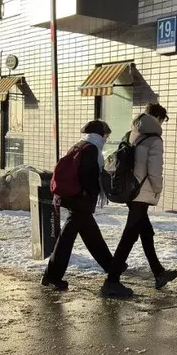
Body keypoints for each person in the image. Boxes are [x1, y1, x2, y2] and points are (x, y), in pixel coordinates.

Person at [102, 103, 177, 299]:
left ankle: (158, 272)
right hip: (141, 193)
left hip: (129, 189)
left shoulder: (131, 133)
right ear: (159, 119)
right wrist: (158, 189)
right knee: (130, 235)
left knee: (146, 231)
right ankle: (111, 281)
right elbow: (154, 170)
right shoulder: (155, 139)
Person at [41, 121, 117, 291]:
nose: (107, 138)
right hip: (80, 200)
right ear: (100, 134)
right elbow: (88, 176)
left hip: (74, 198)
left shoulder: (80, 145)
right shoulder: (91, 149)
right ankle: (52, 276)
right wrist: (89, 194)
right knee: (67, 241)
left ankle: (112, 267)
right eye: (106, 135)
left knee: (91, 236)